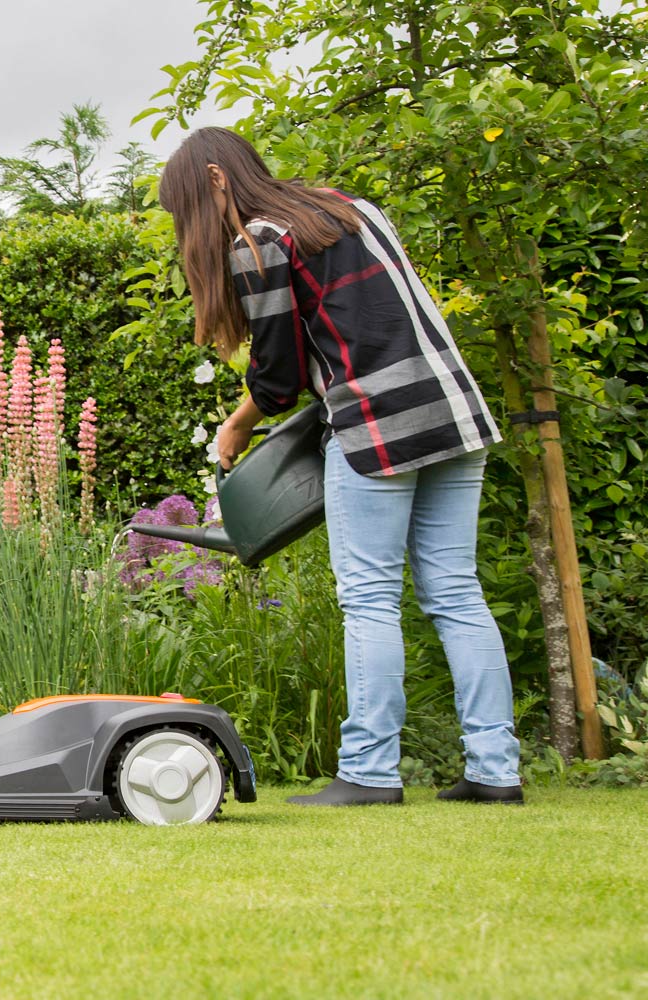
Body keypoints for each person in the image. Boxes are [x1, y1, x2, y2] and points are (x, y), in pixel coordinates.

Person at [158, 127, 523, 806]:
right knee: (456, 593)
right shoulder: (352, 208)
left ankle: (370, 772)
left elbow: (281, 374)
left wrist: (236, 426)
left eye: (188, 210)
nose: (194, 229)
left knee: (370, 598)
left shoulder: (261, 239)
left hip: (378, 428)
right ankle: (496, 771)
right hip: (455, 412)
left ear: (214, 179)